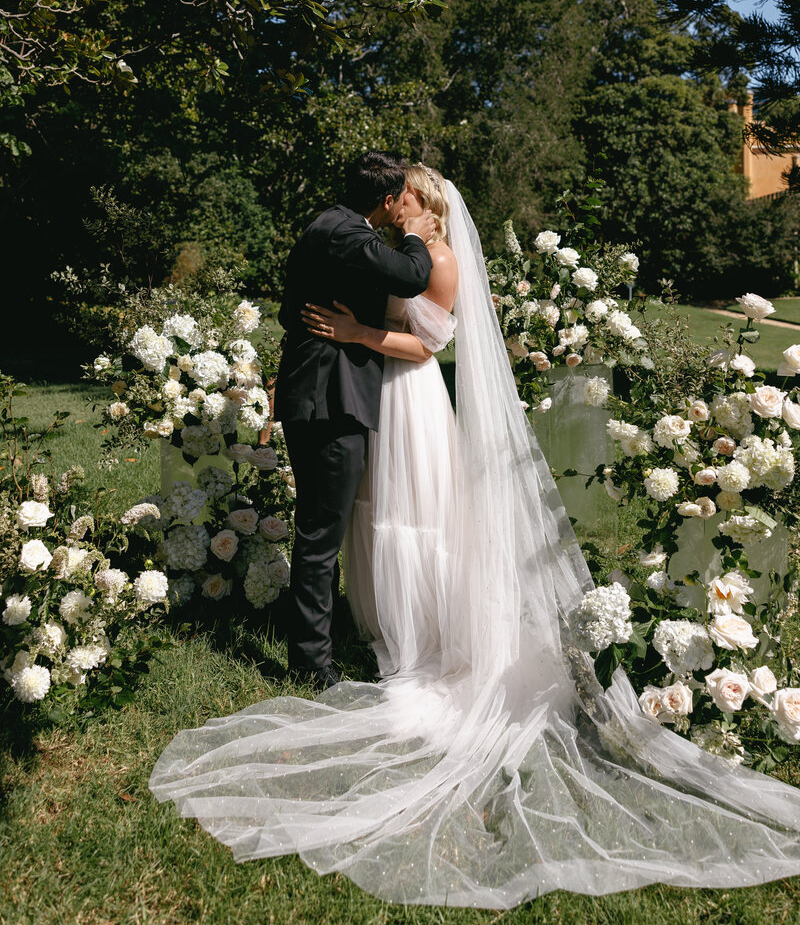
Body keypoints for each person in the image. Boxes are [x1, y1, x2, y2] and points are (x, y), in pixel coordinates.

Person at [151, 168, 800, 909]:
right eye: (397, 196)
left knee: (413, 517)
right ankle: (372, 620)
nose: (400, 205)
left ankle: (418, 627)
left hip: (410, 397)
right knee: (367, 517)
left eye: (411, 197)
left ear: (427, 205)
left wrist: (363, 330)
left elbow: (428, 345)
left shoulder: (440, 256)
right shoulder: (384, 245)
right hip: (369, 397)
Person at [272, 150, 436, 690]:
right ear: (388, 201)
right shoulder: (345, 232)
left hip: (318, 393)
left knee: (323, 525)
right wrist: (415, 231)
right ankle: (312, 666)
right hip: (327, 399)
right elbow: (412, 274)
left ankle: (320, 635)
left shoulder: (332, 224)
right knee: (321, 532)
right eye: (399, 205)